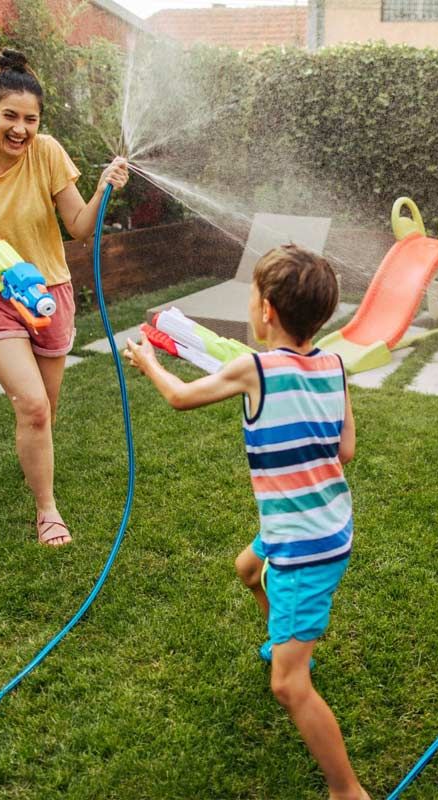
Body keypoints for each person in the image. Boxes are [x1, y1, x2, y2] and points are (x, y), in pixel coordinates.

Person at [124, 245, 370, 800]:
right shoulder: (332, 364)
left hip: (305, 544)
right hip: (321, 516)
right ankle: (279, 635)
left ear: (266, 313)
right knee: (245, 568)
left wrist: (151, 363)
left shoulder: (253, 368)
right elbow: (346, 449)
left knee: (289, 686)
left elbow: (183, 399)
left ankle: (347, 790)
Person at [0, 49, 128, 547]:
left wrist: (103, 187)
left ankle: (32, 461)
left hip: (47, 292)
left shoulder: (49, 152)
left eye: (30, 119)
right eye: (10, 116)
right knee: (34, 406)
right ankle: (47, 510)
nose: (20, 129)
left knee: (46, 411)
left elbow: (79, 229)